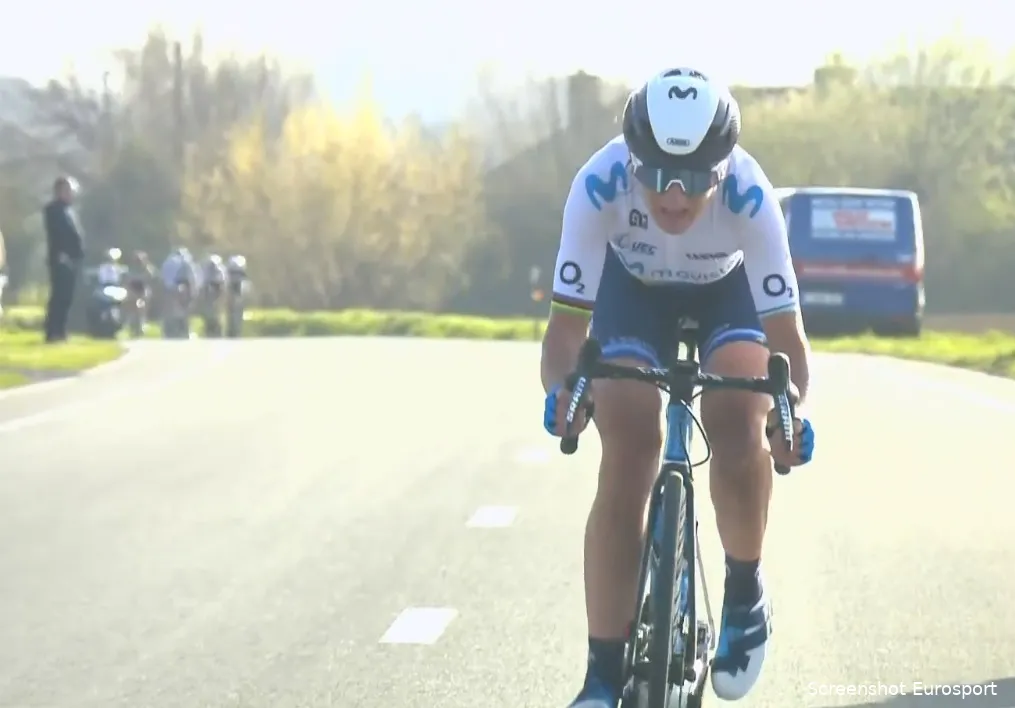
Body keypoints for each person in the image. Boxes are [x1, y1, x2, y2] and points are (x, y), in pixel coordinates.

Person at [541, 68, 816, 708]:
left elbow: (788, 347)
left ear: (723, 169)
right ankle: (602, 676)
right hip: (629, 291)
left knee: (738, 414)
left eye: (692, 179)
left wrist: (788, 415)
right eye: (656, 173)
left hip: (729, 290)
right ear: (630, 159)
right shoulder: (597, 185)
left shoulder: (752, 197)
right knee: (629, 449)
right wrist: (564, 395)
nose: (671, 194)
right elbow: (563, 335)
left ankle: (744, 592)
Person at [43, 176, 84, 342]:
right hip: (61, 258)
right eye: (68, 190)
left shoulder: (70, 210)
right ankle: (53, 331)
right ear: (60, 191)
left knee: (67, 296)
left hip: (72, 259)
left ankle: (62, 330)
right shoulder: (53, 210)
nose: (71, 194)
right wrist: (63, 253)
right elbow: (58, 234)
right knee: (59, 295)